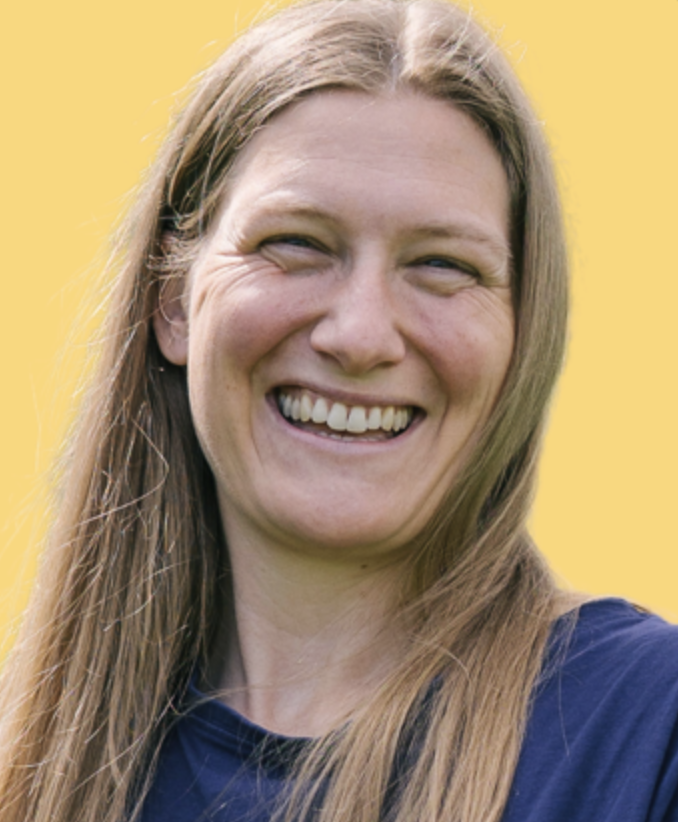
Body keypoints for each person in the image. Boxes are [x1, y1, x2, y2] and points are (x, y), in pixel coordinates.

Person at [0, 1, 677, 821]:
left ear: (520, 336)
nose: (360, 334)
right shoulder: (28, 765)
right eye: (296, 244)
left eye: (441, 264)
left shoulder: (647, 736)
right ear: (173, 302)